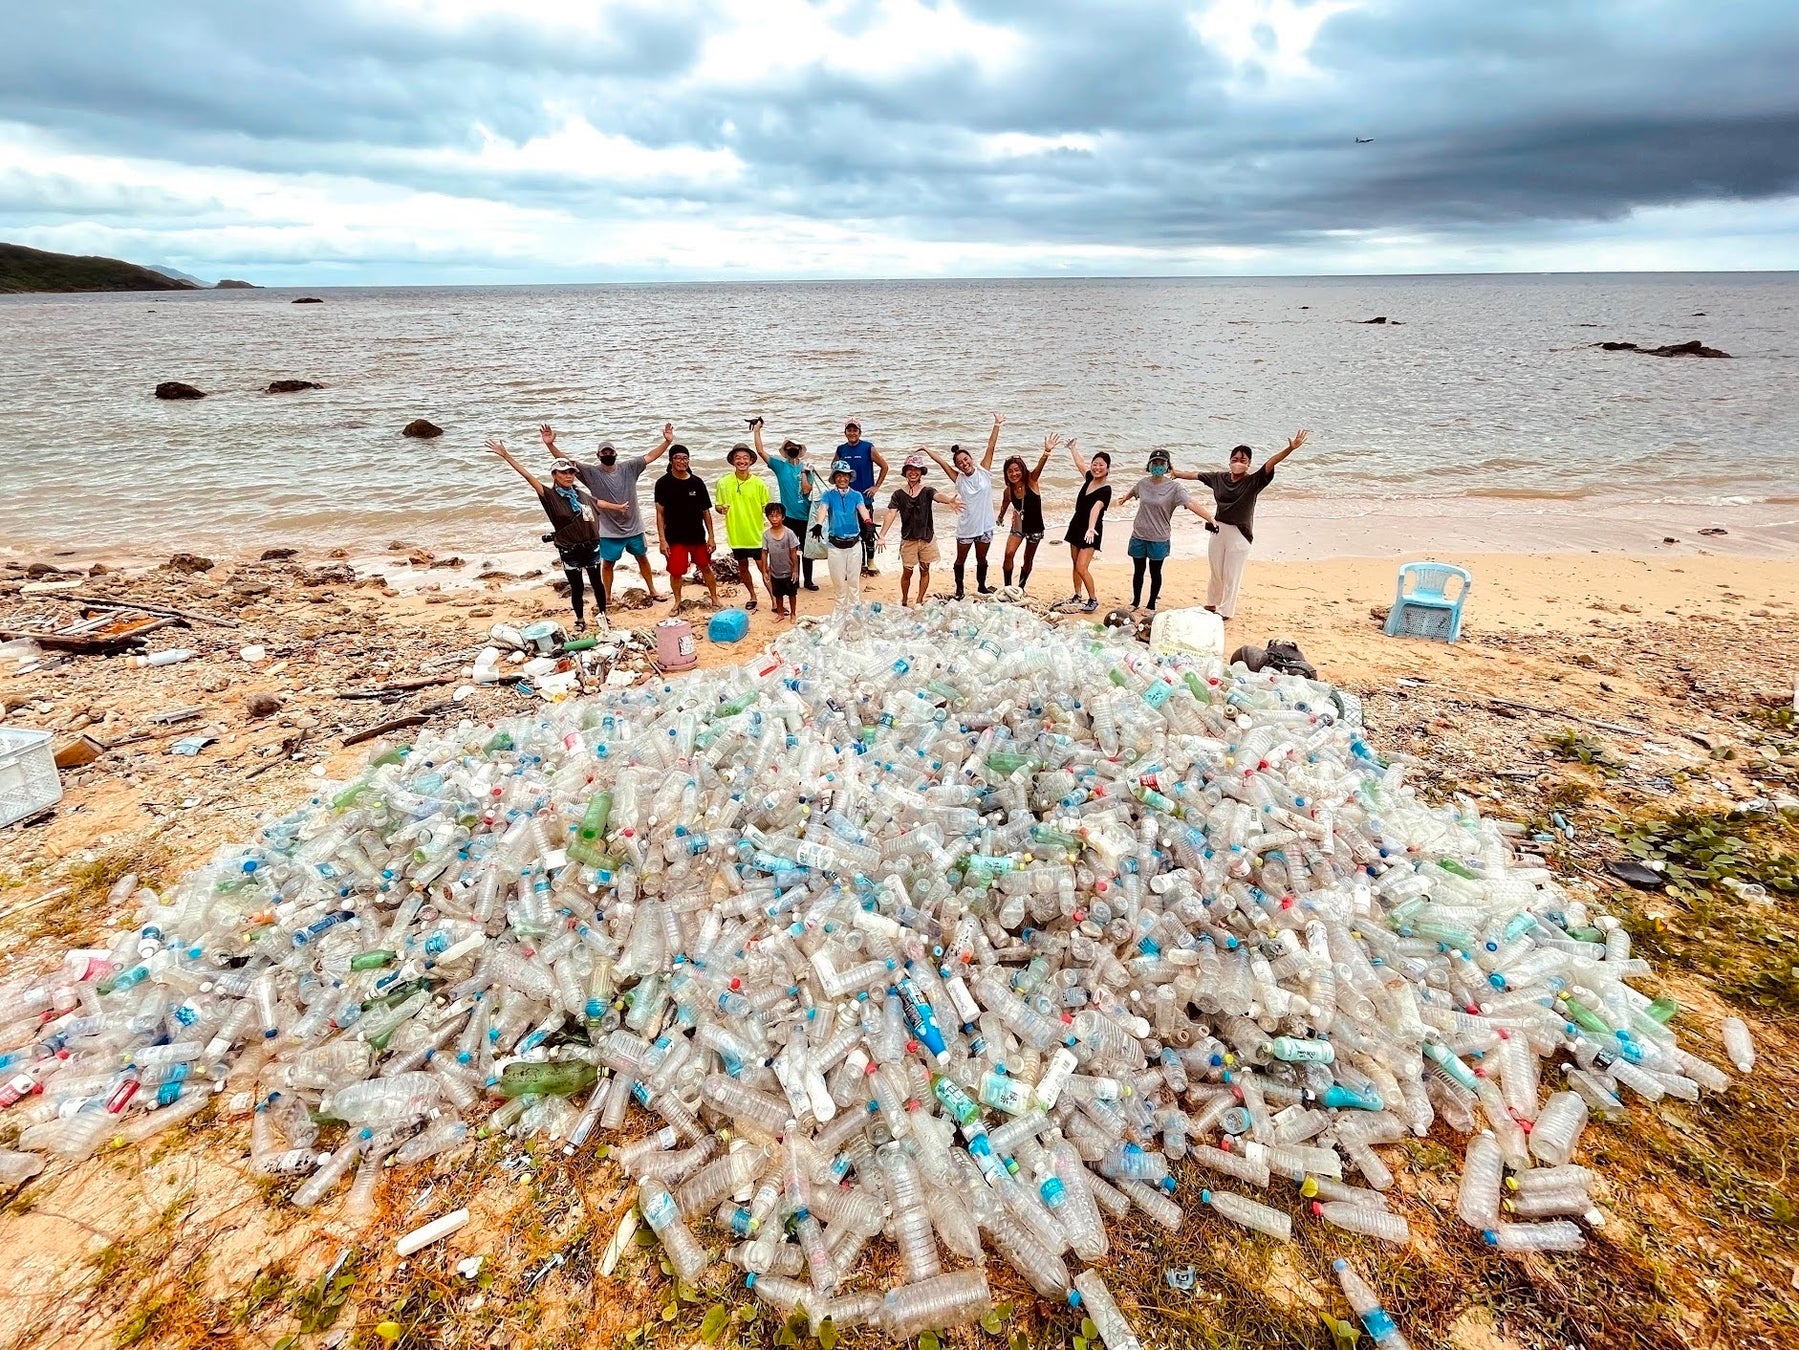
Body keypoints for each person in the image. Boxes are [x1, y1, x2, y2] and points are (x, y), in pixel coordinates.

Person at [485, 438, 624, 632]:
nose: (568, 476)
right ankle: (580, 619)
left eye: (571, 472)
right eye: (563, 473)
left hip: (591, 545)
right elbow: (528, 477)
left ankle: (602, 615)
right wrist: (507, 456)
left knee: (597, 584)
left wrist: (618, 507)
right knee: (576, 586)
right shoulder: (549, 496)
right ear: (554, 475)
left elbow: (597, 503)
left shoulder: (580, 494)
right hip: (569, 549)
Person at [1175, 429, 1309, 620]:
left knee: (1232, 574)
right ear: (1229, 461)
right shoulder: (1219, 478)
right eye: (1235, 459)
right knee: (1216, 570)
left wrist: (1290, 449)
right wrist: (1176, 473)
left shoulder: (1254, 481)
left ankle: (1226, 611)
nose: (1238, 463)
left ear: (1248, 464)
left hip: (1240, 533)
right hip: (1218, 528)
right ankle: (1212, 603)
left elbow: (1271, 462)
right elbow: (1195, 475)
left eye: (1243, 460)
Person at [540, 421, 673, 604]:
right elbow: (567, 463)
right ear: (598, 455)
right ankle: (608, 597)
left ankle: (652, 590)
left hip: (634, 526)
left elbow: (650, 456)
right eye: (604, 452)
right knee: (608, 564)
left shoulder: (629, 467)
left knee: (642, 558)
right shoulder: (591, 473)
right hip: (607, 529)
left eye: (610, 452)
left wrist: (667, 442)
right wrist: (550, 444)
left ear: (615, 454)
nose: (608, 455)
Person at [1115, 449, 1215, 611]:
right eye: (1155, 463)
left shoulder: (1175, 488)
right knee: (1138, 571)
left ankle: (1151, 604)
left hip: (1159, 538)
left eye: (1162, 463)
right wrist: (1124, 499)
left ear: (1168, 466)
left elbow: (1191, 504)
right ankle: (1135, 602)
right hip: (1139, 535)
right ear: (1149, 465)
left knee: (1155, 572)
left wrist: (1210, 518)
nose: (1158, 466)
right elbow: (1133, 492)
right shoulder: (1143, 483)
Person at [923, 413, 1002, 599]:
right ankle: (959, 590)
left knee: (982, 559)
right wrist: (927, 449)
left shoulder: (984, 471)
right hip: (966, 527)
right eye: (959, 463)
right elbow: (942, 462)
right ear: (957, 467)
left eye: (965, 460)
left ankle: (982, 586)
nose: (964, 464)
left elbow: (991, 446)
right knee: (961, 560)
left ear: (971, 459)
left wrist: (997, 424)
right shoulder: (958, 479)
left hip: (985, 526)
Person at [877, 452, 962, 607]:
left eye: (917, 469)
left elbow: (938, 496)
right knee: (907, 572)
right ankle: (904, 599)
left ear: (922, 472)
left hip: (927, 539)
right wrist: (882, 535)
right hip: (908, 540)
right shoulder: (898, 494)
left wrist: (949, 500)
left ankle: (919, 600)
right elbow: (891, 513)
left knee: (925, 570)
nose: (913, 472)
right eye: (910, 468)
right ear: (905, 472)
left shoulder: (927, 490)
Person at [750, 417, 819, 591]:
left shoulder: (807, 467)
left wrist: (804, 472)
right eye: (789, 448)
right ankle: (793, 579)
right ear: (785, 451)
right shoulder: (780, 466)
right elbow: (760, 451)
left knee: (807, 550)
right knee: (791, 551)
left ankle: (808, 581)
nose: (792, 450)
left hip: (806, 515)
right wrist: (757, 430)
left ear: (799, 450)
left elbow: (806, 490)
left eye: (794, 448)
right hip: (788, 516)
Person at [652, 445, 722, 608]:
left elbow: (706, 512)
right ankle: (677, 602)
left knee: (705, 567)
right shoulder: (663, 483)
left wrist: (711, 537)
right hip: (674, 538)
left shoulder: (697, 482)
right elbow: (660, 514)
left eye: (685, 458)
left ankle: (714, 598)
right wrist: (662, 540)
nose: (682, 461)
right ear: (671, 460)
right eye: (678, 458)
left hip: (697, 536)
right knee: (676, 572)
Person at [715, 443, 773, 611]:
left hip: (756, 534)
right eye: (738, 458)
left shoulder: (760, 484)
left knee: (765, 569)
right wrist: (721, 509)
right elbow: (718, 506)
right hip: (736, 535)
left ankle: (774, 600)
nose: (742, 461)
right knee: (743, 568)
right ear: (733, 461)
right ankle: (753, 596)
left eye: (745, 458)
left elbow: (767, 509)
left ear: (751, 461)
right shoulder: (723, 483)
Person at [998, 433, 1056, 591]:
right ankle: (1008, 587)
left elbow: (1039, 467)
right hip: (1018, 526)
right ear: (1006, 474)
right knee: (1009, 554)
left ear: (1022, 470)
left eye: (1016, 470)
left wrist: (1046, 452)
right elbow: (1004, 505)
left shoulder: (1031, 480)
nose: (1014, 474)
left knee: (1027, 559)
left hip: (1035, 528)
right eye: (1010, 471)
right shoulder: (1008, 491)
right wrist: (1000, 518)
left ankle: (1021, 588)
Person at [1059, 440, 1111, 613]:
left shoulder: (1106, 489)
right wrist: (1073, 449)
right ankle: (1077, 594)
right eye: (1094, 464)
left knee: (1082, 566)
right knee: (1075, 564)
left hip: (1092, 530)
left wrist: (1090, 527)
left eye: (1101, 465)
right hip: (1076, 525)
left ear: (1108, 469)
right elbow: (1080, 464)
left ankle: (1093, 599)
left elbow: (1096, 508)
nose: (1097, 468)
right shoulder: (1089, 478)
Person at [835, 418, 888, 577]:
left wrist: (876, 486)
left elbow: (885, 466)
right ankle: (858, 564)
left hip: (865, 498)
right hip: (846, 497)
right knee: (851, 532)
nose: (852, 433)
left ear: (859, 432)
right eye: (849, 430)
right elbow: (834, 469)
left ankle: (871, 563)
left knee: (868, 531)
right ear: (845, 433)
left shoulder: (868, 448)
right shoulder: (841, 449)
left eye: (855, 430)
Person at [820, 459, 874, 607]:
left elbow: (863, 509)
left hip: (854, 545)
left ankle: (855, 612)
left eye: (845, 475)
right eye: (838, 475)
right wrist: (819, 524)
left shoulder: (856, 495)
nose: (842, 478)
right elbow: (823, 509)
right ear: (834, 478)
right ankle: (840, 613)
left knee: (853, 583)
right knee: (838, 585)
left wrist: (868, 522)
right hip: (835, 546)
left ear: (850, 478)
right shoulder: (828, 495)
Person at [762, 501, 802, 620]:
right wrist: (765, 570)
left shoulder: (789, 533)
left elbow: (793, 553)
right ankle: (780, 614)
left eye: (778, 515)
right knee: (778, 595)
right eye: (771, 516)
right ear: (767, 517)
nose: (774, 519)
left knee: (792, 594)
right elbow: (764, 553)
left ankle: (793, 614)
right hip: (775, 572)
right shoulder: (766, 535)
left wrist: (795, 570)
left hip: (788, 571)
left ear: (783, 517)